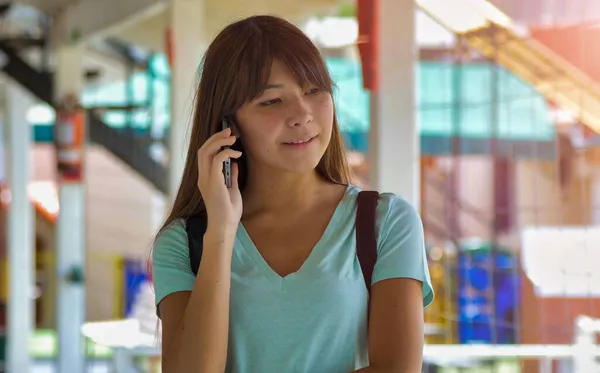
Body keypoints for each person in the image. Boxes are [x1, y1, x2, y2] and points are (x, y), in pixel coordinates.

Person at [152, 15, 434, 373]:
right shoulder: (183, 243)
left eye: (314, 91)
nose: (302, 114)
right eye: (271, 101)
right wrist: (221, 233)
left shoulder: (386, 223)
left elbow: (396, 368)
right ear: (228, 125)